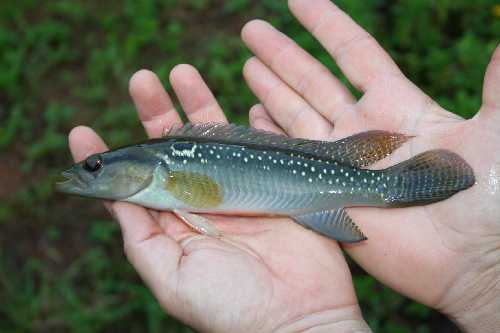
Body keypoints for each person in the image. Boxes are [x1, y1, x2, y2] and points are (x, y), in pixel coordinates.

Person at [67, 0, 500, 332]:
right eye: (92, 167)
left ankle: (391, 187)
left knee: (380, 185)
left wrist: (485, 281)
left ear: (138, 165)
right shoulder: (161, 176)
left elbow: (206, 198)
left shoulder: (165, 172)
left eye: (95, 166)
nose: (89, 171)